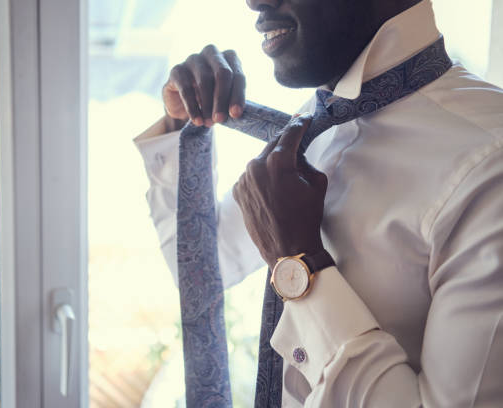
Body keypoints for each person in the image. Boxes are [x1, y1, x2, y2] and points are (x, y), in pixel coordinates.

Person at [134, 0, 503, 406]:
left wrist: (298, 262)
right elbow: (201, 268)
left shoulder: (489, 165)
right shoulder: (311, 126)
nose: (253, 1)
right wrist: (183, 124)